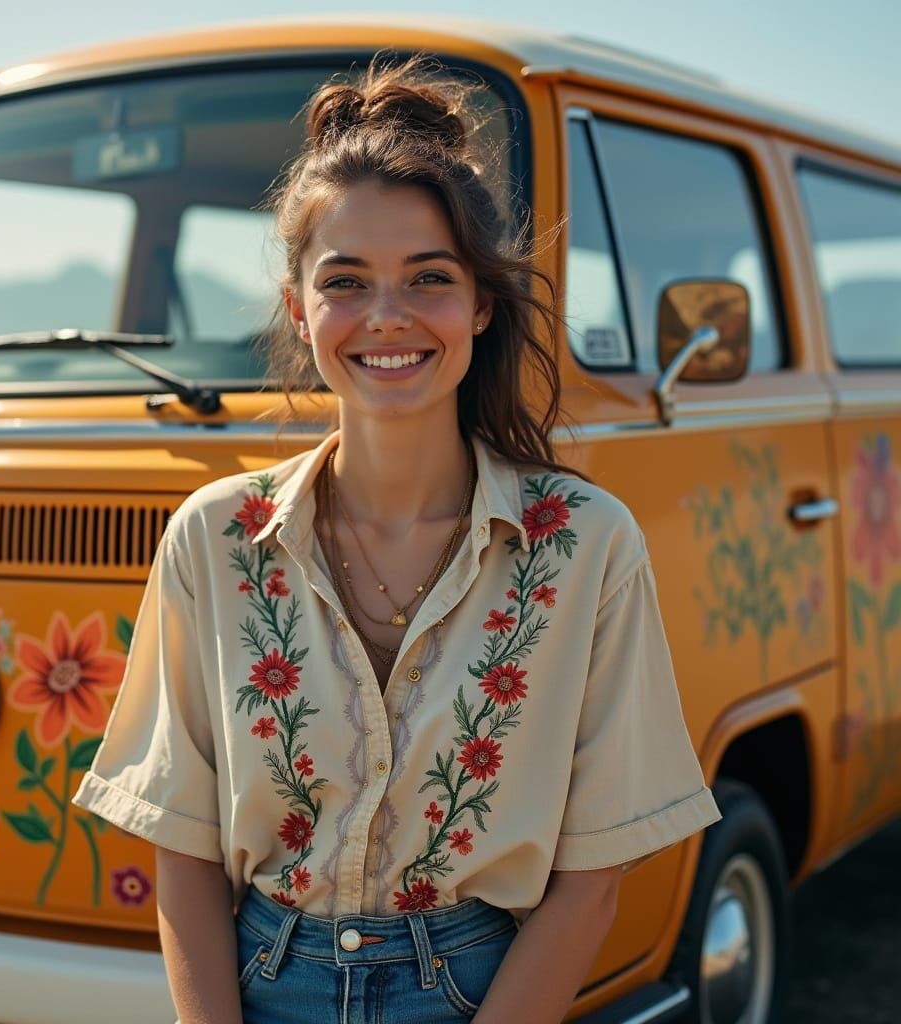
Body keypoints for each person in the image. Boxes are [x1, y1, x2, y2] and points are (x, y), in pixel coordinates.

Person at [72, 56, 721, 1024]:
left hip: (478, 989)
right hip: (257, 982)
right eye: (346, 281)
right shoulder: (215, 537)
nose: (387, 315)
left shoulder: (584, 544)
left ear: (480, 303)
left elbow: (592, 879)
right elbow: (186, 843)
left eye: (429, 277)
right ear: (299, 307)